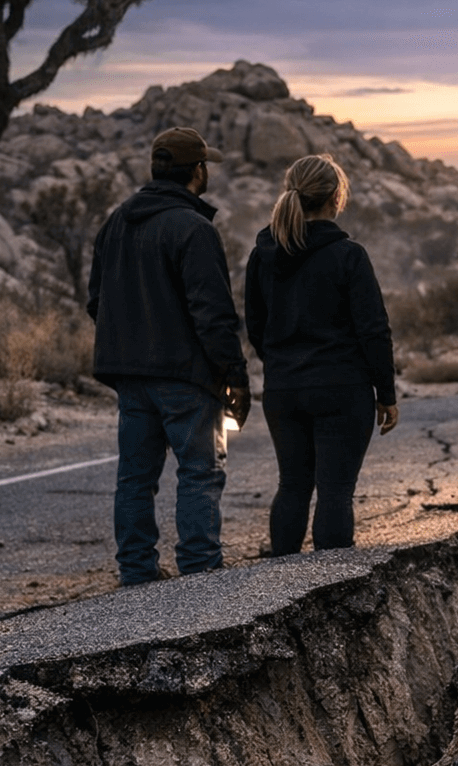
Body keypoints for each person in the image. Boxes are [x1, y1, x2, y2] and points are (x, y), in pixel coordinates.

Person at [86, 126, 251, 586]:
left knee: (135, 478)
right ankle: (199, 572)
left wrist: (129, 344)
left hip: (129, 374)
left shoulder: (115, 222)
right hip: (185, 376)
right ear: (197, 171)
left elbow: (95, 301)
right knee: (200, 471)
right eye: (205, 165)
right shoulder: (194, 229)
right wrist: (236, 377)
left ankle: (136, 572)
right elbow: (213, 315)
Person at [245, 153, 398, 555]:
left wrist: (283, 363)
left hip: (283, 390)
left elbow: (255, 327)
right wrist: (386, 394)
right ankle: (332, 594)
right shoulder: (349, 256)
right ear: (335, 199)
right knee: (335, 491)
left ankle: (279, 591)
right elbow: (374, 330)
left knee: (292, 485)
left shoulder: (262, 255)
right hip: (341, 389)